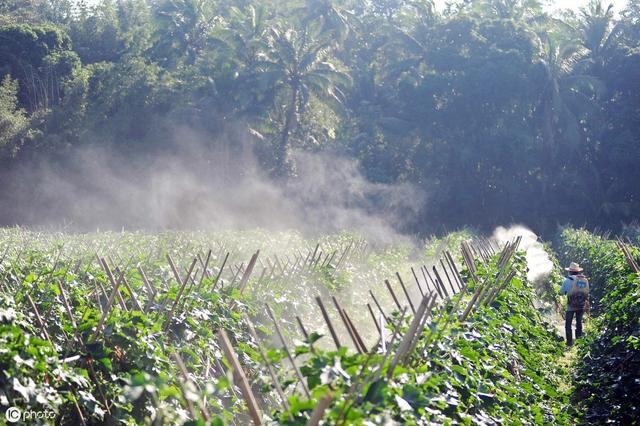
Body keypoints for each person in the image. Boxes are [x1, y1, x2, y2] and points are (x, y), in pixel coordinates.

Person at [559, 262, 590, 346]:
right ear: (578, 271)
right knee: (579, 322)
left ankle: (569, 342)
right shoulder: (584, 280)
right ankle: (579, 341)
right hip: (581, 304)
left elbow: (561, 292)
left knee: (568, 323)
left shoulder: (567, 280)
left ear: (570, 271)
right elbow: (587, 292)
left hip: (571, 305)